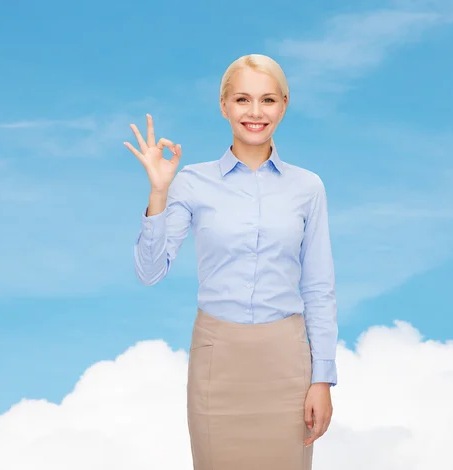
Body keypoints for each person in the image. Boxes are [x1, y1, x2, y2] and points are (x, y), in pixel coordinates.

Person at [125, 53, 338, 470]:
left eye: (268, 100)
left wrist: (322, 379)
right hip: (216, 359)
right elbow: (150, 272)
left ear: (284, 105)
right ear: (224, 106)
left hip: (286, 363)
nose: (255, 112)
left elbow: (319, 287)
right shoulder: (191, 182)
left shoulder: (308, 188)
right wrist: (158, 193)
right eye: (242, 100)